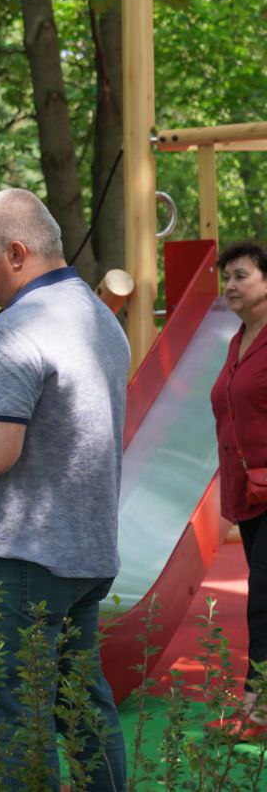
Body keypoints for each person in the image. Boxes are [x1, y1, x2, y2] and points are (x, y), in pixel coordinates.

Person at [0, 188, 128, 790]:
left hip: (21, 556)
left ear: (15, 252)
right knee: (83, 709)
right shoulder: (96, 317)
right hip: (84, 548)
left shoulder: (20, 328)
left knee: (10, 718)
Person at [210, 240, 267, 737]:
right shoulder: (238, 340)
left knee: (263, 596)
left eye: (241, 275)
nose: (230, 284)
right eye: (226, 276)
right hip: (249, 492)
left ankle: (258, 709)